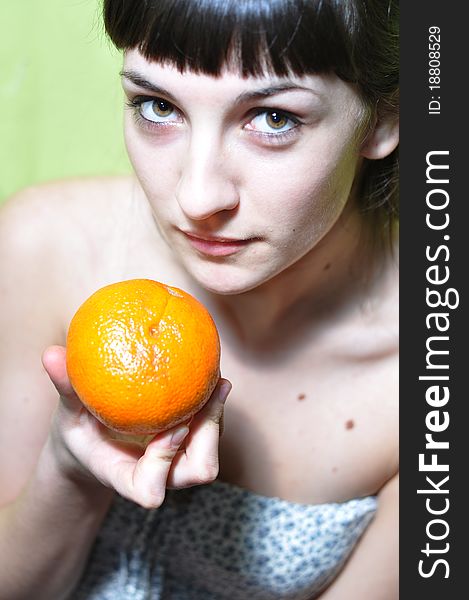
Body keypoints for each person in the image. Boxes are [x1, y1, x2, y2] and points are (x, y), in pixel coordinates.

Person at [0, 0, 399, 598]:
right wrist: (70, 471)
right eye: (157, 106)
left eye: (272, 118)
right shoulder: (43, 244)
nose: (196, 195)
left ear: (383, 120)